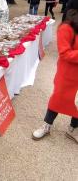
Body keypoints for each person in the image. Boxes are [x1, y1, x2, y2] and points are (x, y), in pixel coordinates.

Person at [32, 9, 78, 143]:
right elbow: (64, 53)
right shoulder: (66, 28)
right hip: (68, 73)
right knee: (58, 97)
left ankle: (73, 128)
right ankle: (47, 125)